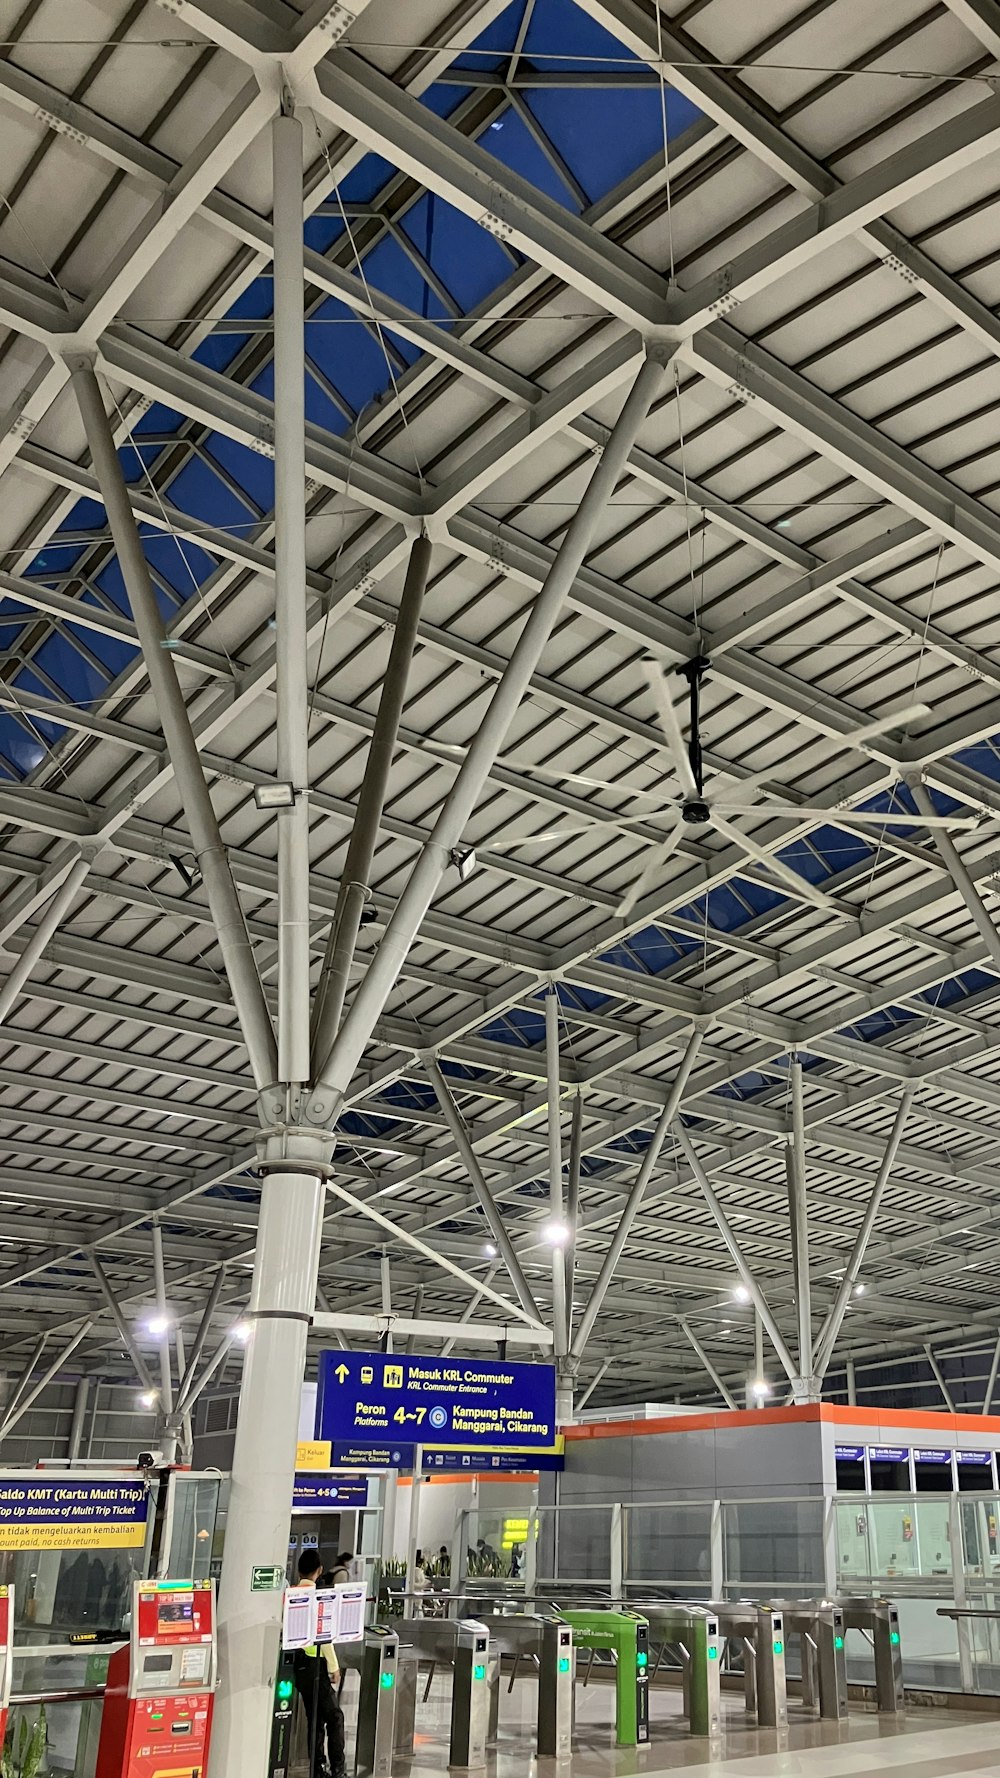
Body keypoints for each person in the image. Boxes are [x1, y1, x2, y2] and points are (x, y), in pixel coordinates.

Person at [294, 1549, 346, 1778]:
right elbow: (323, 1636)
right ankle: (338, 1770)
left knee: (314, 1719)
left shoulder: (291, 1594)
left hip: (298, 1665)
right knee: (335, 1717)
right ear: (320, 1571)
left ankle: (317, 1769)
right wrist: (334, 1667)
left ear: (299, 1570)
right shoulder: (318, 1596)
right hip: (315, 1663)